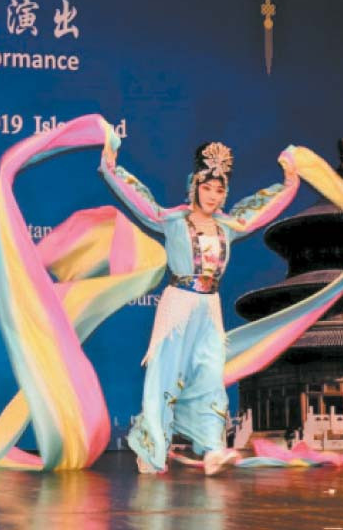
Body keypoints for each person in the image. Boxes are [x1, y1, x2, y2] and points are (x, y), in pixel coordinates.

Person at [100, 137, 299, 475]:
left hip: (210, 310)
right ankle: (153, 450)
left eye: (219, 191)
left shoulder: (227, 227)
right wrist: (111, 165)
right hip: (179, 305)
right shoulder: (173, 220)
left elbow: (258, 209)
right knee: (165, 376)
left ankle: (211, 449)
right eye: (207, 187)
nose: (212, 195)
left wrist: (289, 183)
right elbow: (140, 198)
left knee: (209, 376)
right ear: (194, 186)